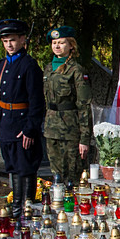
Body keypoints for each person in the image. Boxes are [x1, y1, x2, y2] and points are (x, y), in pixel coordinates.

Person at [0, 18, 44, 215]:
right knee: (12, 167)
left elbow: (37, 102)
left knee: (26, 167)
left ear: (22, 40)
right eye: (5, 41)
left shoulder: (29, 66)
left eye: (12, 40)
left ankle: (26, 209)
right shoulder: (3, 64)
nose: (9, 45)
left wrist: (30, 129)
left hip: (22, 126)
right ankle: (15, 208)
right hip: (7, 125)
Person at [43, 25, 91, 186]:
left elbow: (84, 106)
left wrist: (84, 138)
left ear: (71, 45)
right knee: (56, 176)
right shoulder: (48, 69)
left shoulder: (76, 70)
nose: (57, 46)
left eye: (61, 42)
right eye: (54, 43)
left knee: (72, 175)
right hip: (51, 129)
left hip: (70, 130)